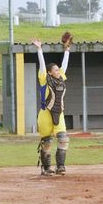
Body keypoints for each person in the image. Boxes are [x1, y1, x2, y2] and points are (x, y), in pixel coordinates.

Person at [32, 36, 72, 176]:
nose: (58, 71)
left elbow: (65, 65)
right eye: (55, 69)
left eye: (57, 69)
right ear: (49, 72)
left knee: (63, 138)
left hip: (59, 113)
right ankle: (46, 167)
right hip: (45, 114)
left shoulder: (61, 78)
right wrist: (39, 49)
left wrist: (67, 49)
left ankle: (60, 166)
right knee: (47, 141)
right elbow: (42, 65)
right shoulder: (44, 78)